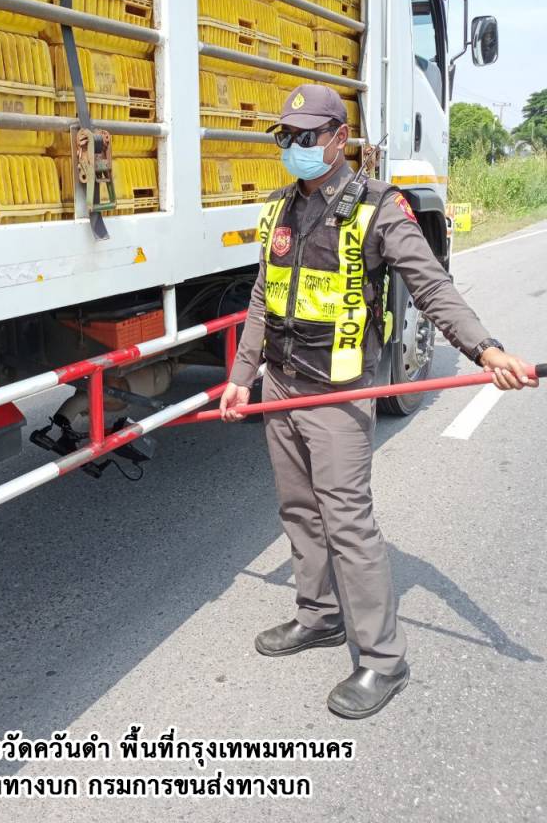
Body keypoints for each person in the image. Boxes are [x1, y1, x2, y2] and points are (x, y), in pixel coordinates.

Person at [219, 84, 539, 720]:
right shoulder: (280, 207)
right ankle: (319, 616)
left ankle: (383, 661)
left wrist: (485, 350)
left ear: (340, 139)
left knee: (347, 522)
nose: (294, 146)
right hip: (280, 384)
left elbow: (431, 287)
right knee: (297, 509)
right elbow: (262, 294)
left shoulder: (378, 207)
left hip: (338, 392)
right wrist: (241, 373)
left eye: (306, 136)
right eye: (286, 136)